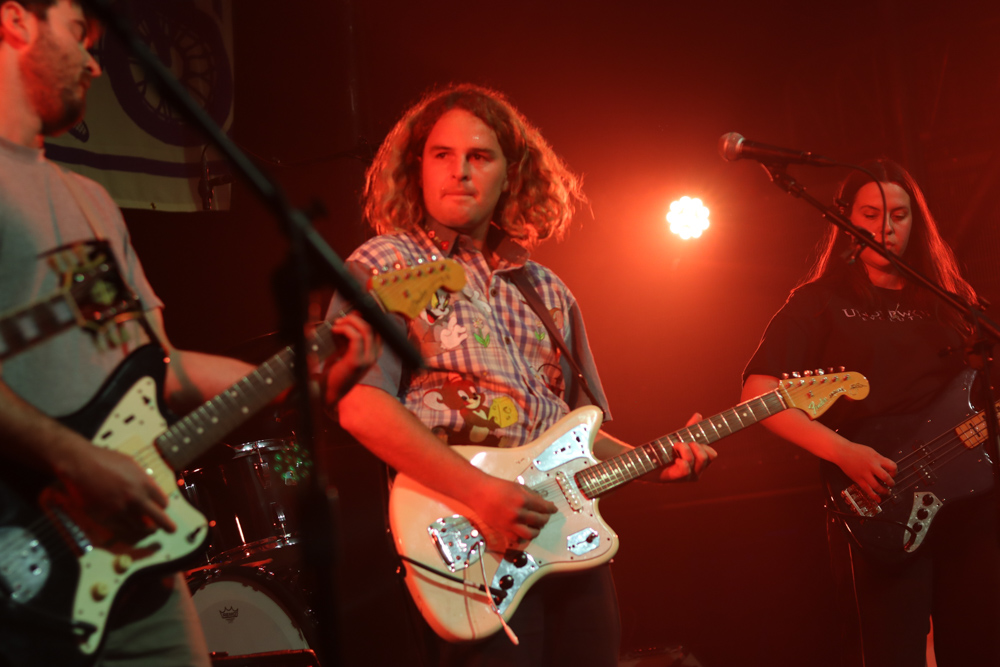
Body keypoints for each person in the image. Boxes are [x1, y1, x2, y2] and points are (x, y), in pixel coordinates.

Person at [0, 1, 378, 665]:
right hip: (24, 540)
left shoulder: (89, 199)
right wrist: (75, 460)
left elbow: (161, 366)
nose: (94, 62)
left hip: (137, 552)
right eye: (79, 33)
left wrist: (300, 377)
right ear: (16, 20)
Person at [328, 83, 717, 667]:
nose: (460, 171)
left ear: (511, 174)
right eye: (442, 154)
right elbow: (358, 403)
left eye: (480, 156)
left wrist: (654, 464)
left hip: (566, 538)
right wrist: (481, 493)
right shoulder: (385, 263)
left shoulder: (547, 291)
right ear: (417, 168)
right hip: (465, 535)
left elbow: (575, 433)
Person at [741, 158, 1000, 667]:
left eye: (899, 215)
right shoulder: (820, 301)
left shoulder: (952, 302)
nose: (886, 228)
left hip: (971, 505)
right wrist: (844, 453)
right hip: (880, 499)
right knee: (888, 651)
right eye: (871, 214)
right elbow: (757, 393)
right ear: (846, 221)